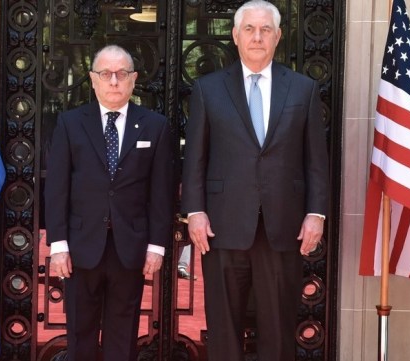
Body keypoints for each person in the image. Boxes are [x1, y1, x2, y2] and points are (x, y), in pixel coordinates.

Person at [181, 1, 329, 360]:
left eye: (265, 30)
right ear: (235, 36)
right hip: (222, 225)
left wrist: (317, 214)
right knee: (223, 327)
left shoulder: (303, 89)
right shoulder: (207, 89)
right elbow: (195, 158)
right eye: (249, 29)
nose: (257, 37)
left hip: (283, 227)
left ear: (278, 37)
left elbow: (316, 160)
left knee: (278, 330)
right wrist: (194, 212)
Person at [45, 44, 173, 361]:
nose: (114, 81)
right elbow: (58, 188)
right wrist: (58, 244)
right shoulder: (70, 123)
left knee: (123, 332)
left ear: (133, 79)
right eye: (106, 74)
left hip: (130, 248)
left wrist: (157, 245)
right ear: (93, 79)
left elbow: (162, 191)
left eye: (121, 74)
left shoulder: (156, 126)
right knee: (80, 332)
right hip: (80, 246)